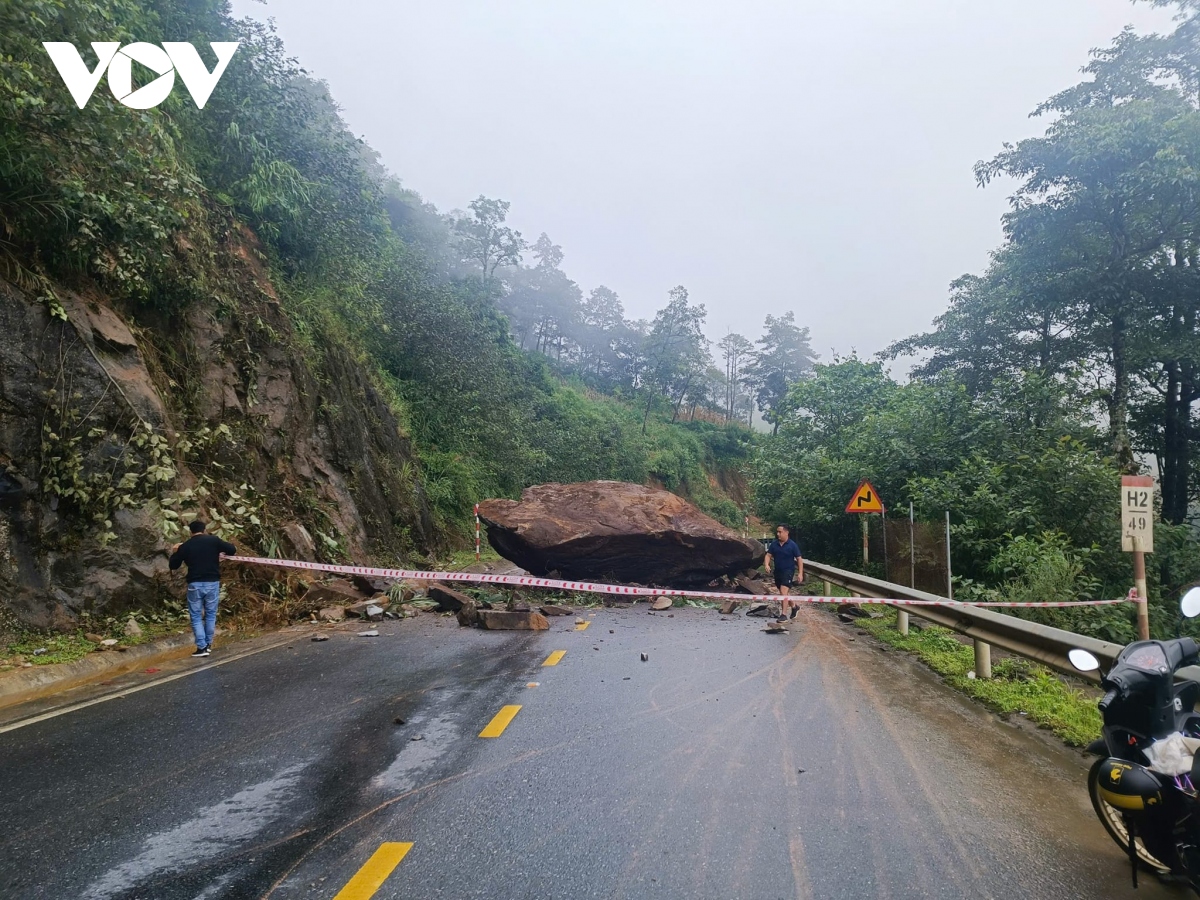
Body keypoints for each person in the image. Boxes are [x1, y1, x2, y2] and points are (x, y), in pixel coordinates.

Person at [169, 520, 236, 657]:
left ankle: (202, 647)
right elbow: (232, 550)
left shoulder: (186, 546)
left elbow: (173, 565)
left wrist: (175, 551)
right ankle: (208, 644)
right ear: (204, 529)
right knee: (211, 614)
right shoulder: (214, 541)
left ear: (190, 532)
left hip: (195, 584)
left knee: (196, 616)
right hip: (212, 583)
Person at [764, 524, 803, 622]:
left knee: (783, 591)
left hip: (788, 571)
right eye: (777, 532)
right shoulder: (774, 544)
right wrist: (766, 565)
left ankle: (784, 614)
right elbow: (768, 555)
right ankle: (794, 606)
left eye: (780, 532)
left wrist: (800, 573)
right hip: (778, 571)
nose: (778, 534)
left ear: (786, 532)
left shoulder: (792, 545)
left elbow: (799, 559)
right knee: (783, 593)